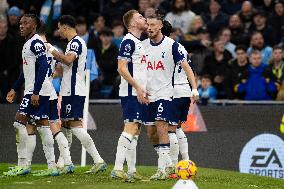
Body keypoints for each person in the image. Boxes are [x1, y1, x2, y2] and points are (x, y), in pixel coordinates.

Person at [45, 15, 107, 174]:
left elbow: (68, 60)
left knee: (74, 125)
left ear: (65, 27)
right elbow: (65, 69)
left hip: (73, 90)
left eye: (59, 27)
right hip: (67, 90)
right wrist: (49, 74)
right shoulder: (71, 43)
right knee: (66, 126)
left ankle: (98, 160)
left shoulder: (77, 42)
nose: (58, 31)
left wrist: (51, 49)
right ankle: (64, 163)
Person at [143, 14, 198, 180]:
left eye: (153, 25)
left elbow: (186, 66)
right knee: (157, 131)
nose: (150, 28)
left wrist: (194, 88)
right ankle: (180, 162)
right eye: (148, 25)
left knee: (166, 128)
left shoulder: (172, 46)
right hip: (156, 94)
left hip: (171, 93)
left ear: (161, 27)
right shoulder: (144, 45)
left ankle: (170, 167)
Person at [4, 14, 52, 176]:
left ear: (34, 25)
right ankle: (51, 167)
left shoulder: (36, 43)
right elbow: (26, 72)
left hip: (36, 91)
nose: (21, 25)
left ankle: (22, 165)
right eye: (20, 23)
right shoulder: (28, 43)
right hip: (39, 90)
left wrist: (35, 92)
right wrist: (14, 88)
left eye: (26, 23)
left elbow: (44, 66)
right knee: (43, 127)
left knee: (19, 124)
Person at [111, 10, 148, 182]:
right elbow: (121, 67)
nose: (144, 19)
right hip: (131, 92)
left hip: (137, 92)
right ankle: (117, 168)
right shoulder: (128, 41)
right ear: (132, 23)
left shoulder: (138, 42)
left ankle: (132, 171)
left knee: (136, 130)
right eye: (140, 17)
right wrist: (138, 87)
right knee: (131, 127)